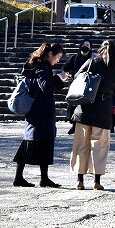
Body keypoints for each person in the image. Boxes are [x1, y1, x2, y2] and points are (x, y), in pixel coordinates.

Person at [69, 39, 115, 191]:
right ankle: (96, 181)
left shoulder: (92, 62)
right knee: (100, 145)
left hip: (85, 107)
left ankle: (79, 180)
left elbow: (77, 77)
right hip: (103, 109)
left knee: (81, 144)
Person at [12, 41, 68, 188]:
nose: (58, 60)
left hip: (39, 111)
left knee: (40, 142)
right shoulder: (42, 67)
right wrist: (59, 77)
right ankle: (22, 177)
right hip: (40, 112)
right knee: (33, 143)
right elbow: (45, 86)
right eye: (58, 57)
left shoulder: (40, 65)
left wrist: (59, 79)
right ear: (50, 54)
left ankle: (41, 178)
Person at [62, 40, 93, 132]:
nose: (85, 46)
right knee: (73, 103)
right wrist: (68, 74)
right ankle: (73, 124)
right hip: (75, 83)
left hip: (87, 84)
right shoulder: (74, 57)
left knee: (84, 105)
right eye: (84, 44)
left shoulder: (92, 59)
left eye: (87, 45)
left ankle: (81, 124)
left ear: (90, 47)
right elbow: (65, 67)